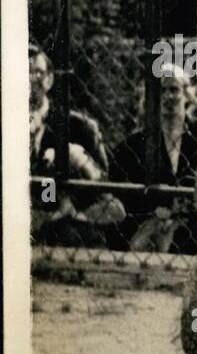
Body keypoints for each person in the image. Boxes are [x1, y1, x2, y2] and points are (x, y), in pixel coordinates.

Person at [28, 42, 125, 246]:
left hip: (69, 224)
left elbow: (104, 187)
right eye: (22, 71)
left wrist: (78, 161)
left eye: (36, 72)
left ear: (50, 79)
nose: (28, 79)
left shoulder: (79, 126)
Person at [108, 65, 197, 254]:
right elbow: (123, 197)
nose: (168, 97)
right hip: (148, 227)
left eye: (174, 89)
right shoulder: (132, 146)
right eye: (161, 90)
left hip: (196, 229)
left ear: (186, 95)